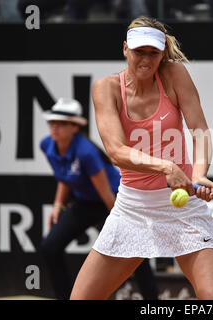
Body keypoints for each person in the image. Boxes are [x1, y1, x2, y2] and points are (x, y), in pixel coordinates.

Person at [70, 16, 213, 300]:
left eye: (153, 53)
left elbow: (200, 131)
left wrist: (199, 174)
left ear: (162, 54)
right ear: (125, 49)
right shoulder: (106, 88)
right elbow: (116, 151)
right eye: (138, 51)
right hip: (133, 209)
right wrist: (167, 167)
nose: (145, 59)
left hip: (186, 210)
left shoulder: (175, 75)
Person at [40, 97, 159, 300]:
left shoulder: (86, 152)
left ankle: (153, 302)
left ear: (74, 127)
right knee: (50, 246)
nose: (55, 128)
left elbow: (105, 191)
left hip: (112, 202)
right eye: (52, 122)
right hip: (84, 204)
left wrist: (121, 221)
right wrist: (58, 205)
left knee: (135, 250)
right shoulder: (47, 145)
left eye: (61, 123)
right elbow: (65, 176)